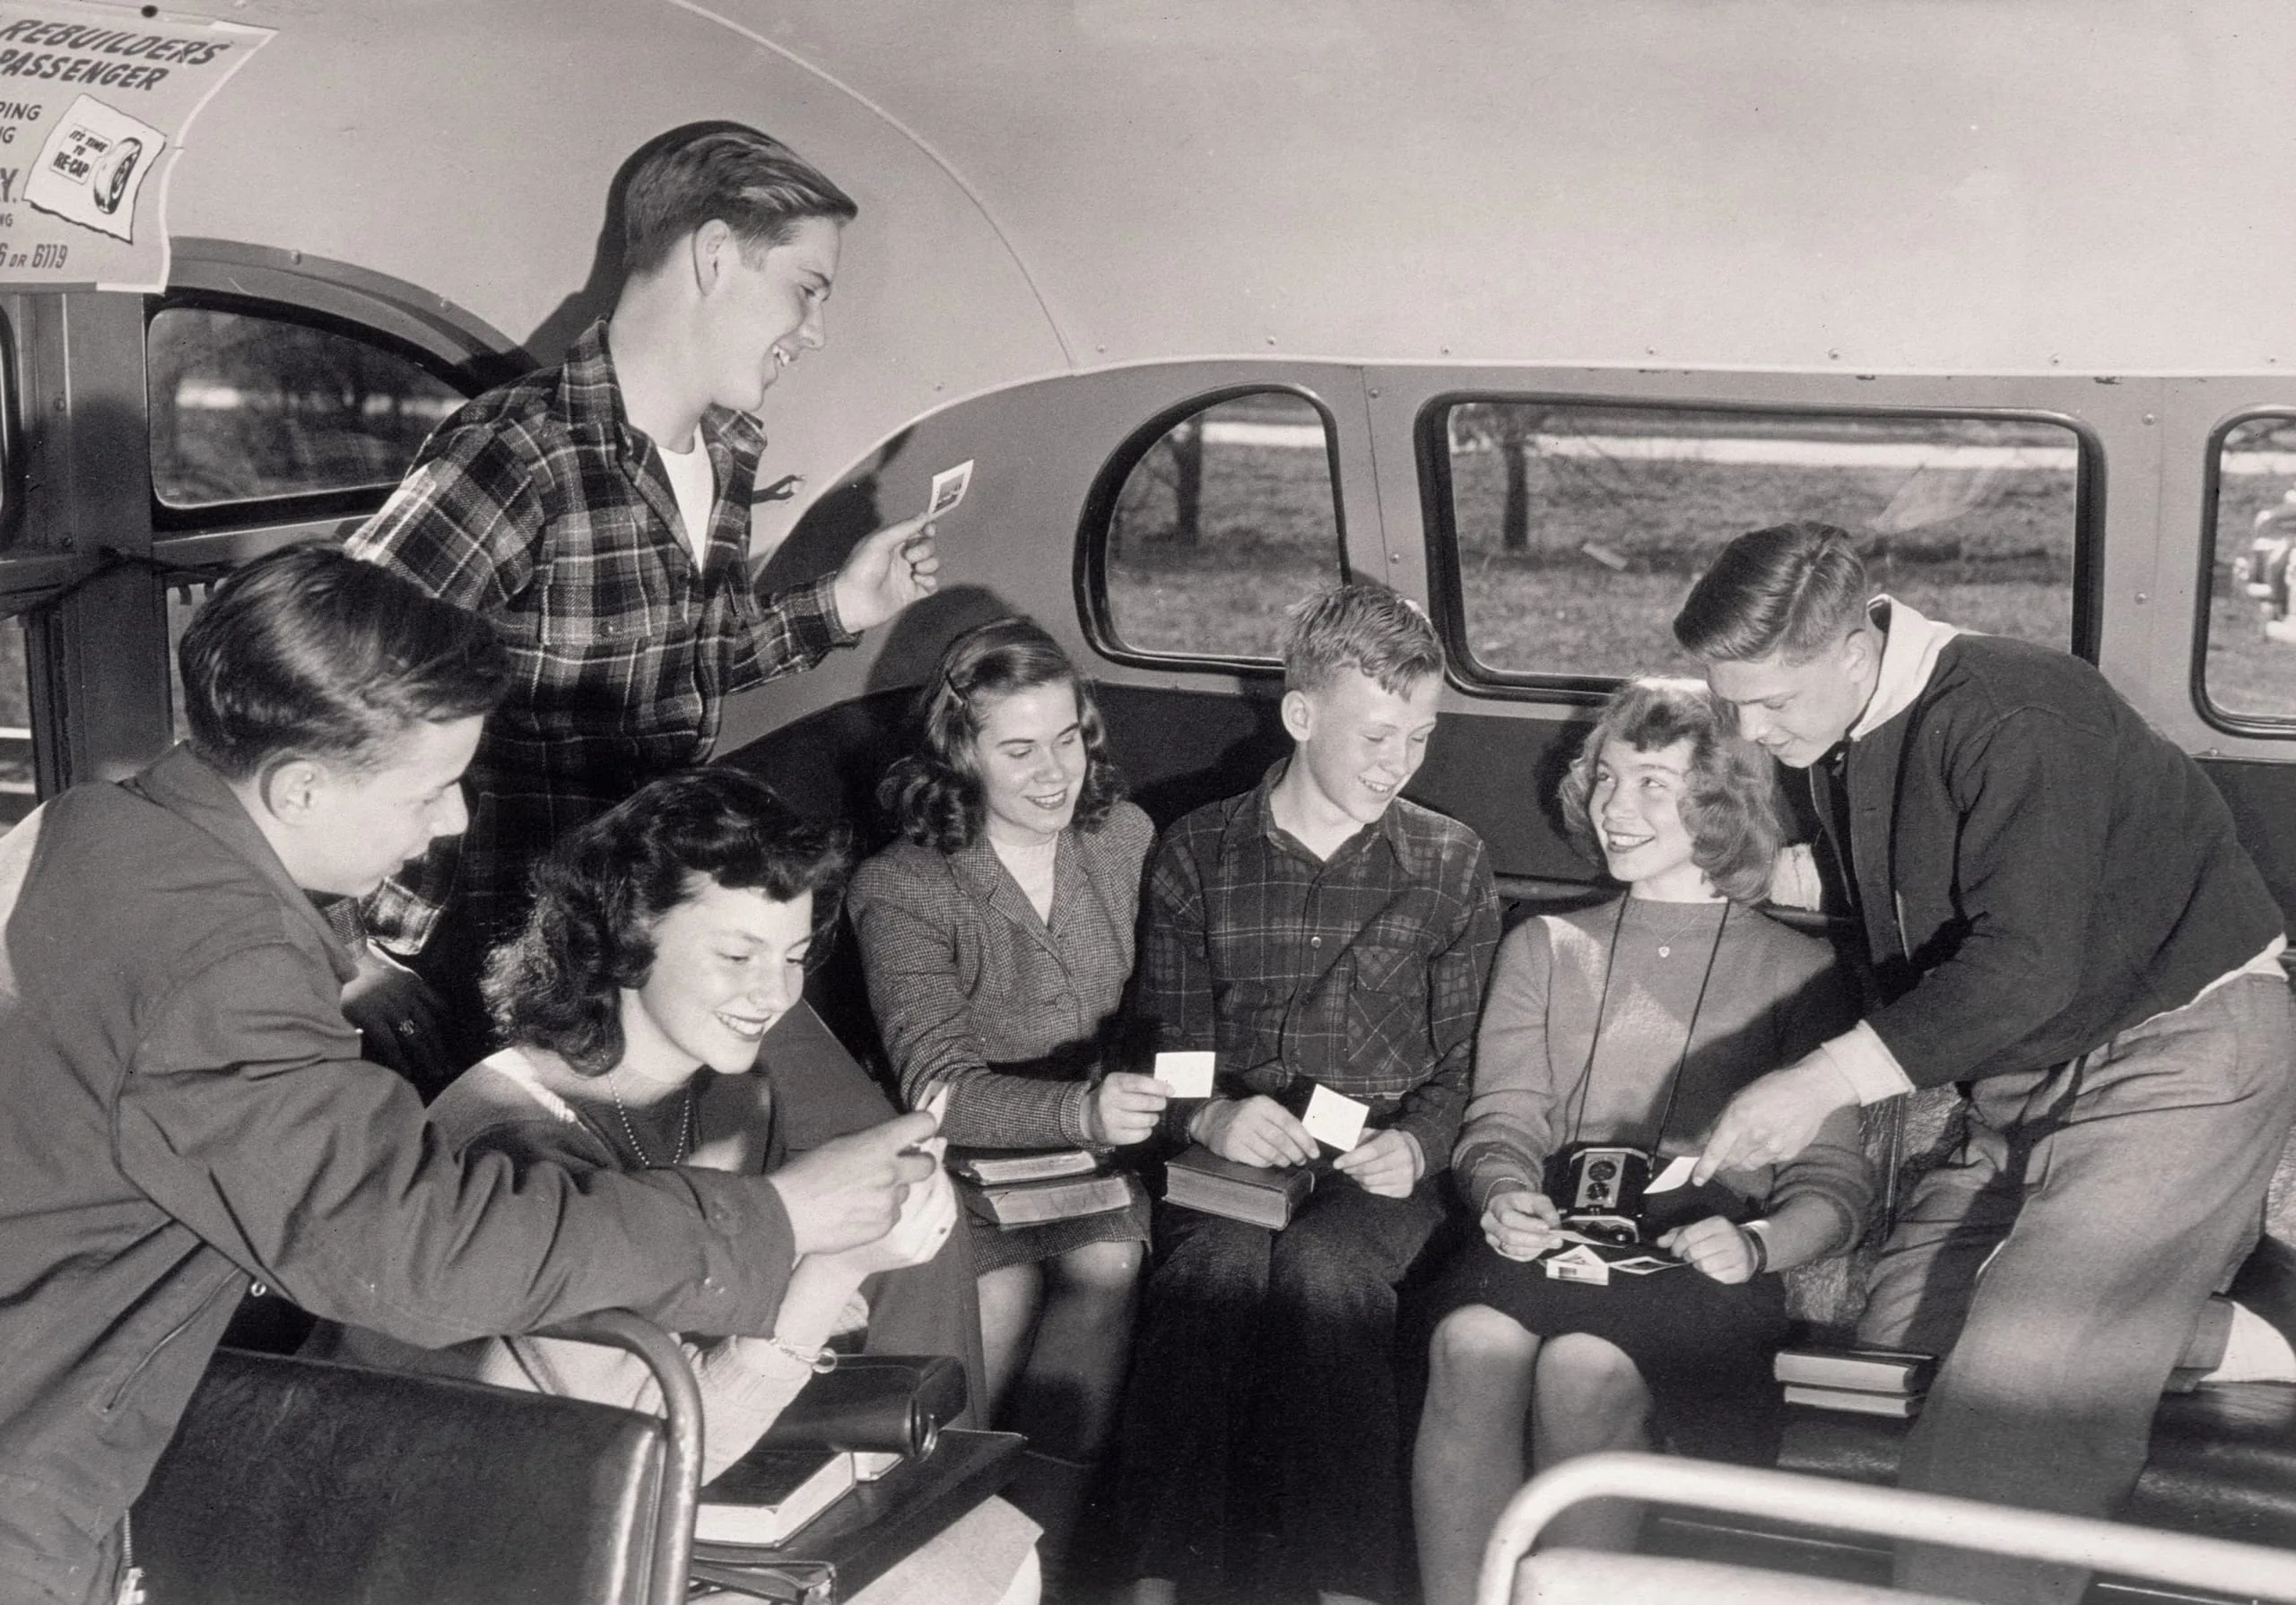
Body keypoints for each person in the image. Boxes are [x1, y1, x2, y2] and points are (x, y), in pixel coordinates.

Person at [0, 548, 935, 1605]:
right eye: (428, 789)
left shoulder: (86, 827)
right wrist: (780, 1218)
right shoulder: (224, 960)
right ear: (299, 787)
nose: (450, 820)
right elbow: (410, 1249)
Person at [1678, 521, 2296, 1605]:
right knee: (1903, 1337)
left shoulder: (2016, 712)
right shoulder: (1852, 726)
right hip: (2029, 1083)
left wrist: (1817, 1080)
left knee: (2010, 1398)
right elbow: (1917, 886)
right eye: (1732, 703)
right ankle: (2237, 1333)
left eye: (1770, 702)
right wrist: (1753, 875)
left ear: (1855, 651)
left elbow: (2021, 965)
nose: (1751, 731)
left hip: (2180, 1051)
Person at [317, 767, 1039, 1604]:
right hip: (442, 1539)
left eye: (793, 957)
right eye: (736, 955)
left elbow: (722, 1323)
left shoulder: (732, 1092)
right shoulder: (514, 1145)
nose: (775, 994)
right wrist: (833, 1270)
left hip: (599, 1480)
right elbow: (666, 1446)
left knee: (991, 1552)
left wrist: (813, 1275)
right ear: (628, 936)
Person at [346, 122, 940, 1063]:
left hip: (632, 924)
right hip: (493, 948)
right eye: (807, 290)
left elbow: (678, 660)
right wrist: (354, 933)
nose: (815, 333)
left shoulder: (724, 452)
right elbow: (338, 668)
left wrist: (840, 607)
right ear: (715, 256)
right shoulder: (521, 449)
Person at [1410, 678, 1871, 1605]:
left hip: (1699, 1247)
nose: (1614, 809)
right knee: (1467, 1342)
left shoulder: (1805, 972)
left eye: (1652, 784)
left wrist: (1757, 1245)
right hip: (1551, 1221)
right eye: (1606, 779)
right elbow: (1501, 1121)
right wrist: (1501, 1191)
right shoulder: (1542, 943)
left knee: (1582, 1370)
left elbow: (1834, 1186)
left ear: (1719, 803)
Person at [1110, 582, 1500, 1605]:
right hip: (1235, 1155)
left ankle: (1345, 1586)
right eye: (1375, 736)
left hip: (1381, 1166)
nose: (1397, 762)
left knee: (1327, 1272)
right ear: (1299, 714)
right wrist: (1209, 1115)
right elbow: (1171, 1045)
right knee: (1217, 1271)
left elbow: (1465, 1065)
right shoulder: (1198, 850)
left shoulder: (1450, 862)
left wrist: (1420, 1144)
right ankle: (1158, 1579)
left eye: (1419, 737)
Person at [848, 618, 1164, 1557]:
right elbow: (936, 1085)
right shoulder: (902, 886)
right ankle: (939, 1542)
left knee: (1109, 1264)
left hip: (1095, 1142)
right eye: (1019, 750)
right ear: (961, 754)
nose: (1054, 772)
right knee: (1001, 1292)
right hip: (962, 1149)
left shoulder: (1124, 837)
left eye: (1067, 739)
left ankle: (1041, 1544)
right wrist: (1081, 1109)